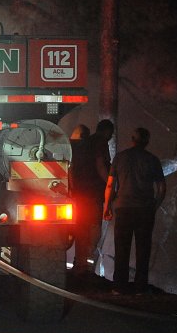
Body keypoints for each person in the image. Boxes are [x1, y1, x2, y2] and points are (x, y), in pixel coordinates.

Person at [103, 127, 165, 293]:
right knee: (143, 249)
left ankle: (119, 286)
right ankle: (140, 287)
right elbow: (161, 188)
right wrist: (154, 206)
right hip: (145, 210)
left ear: (132, 139)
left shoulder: (120, 158)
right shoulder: (153, 160)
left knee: (121, 248)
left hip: (123, 208)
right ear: (147, 141)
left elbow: (110, 185)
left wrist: (107, 206)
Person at [70, 119, 113, 277]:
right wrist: (110, 184)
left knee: (81, 229)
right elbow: (101, 165)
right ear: (107, 132)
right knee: (93, 230)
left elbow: (72, 168)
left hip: (79, 193)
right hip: (93, 194)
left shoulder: (82, 145)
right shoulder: (100, 142)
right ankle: (86, 267)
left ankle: (79, 264)